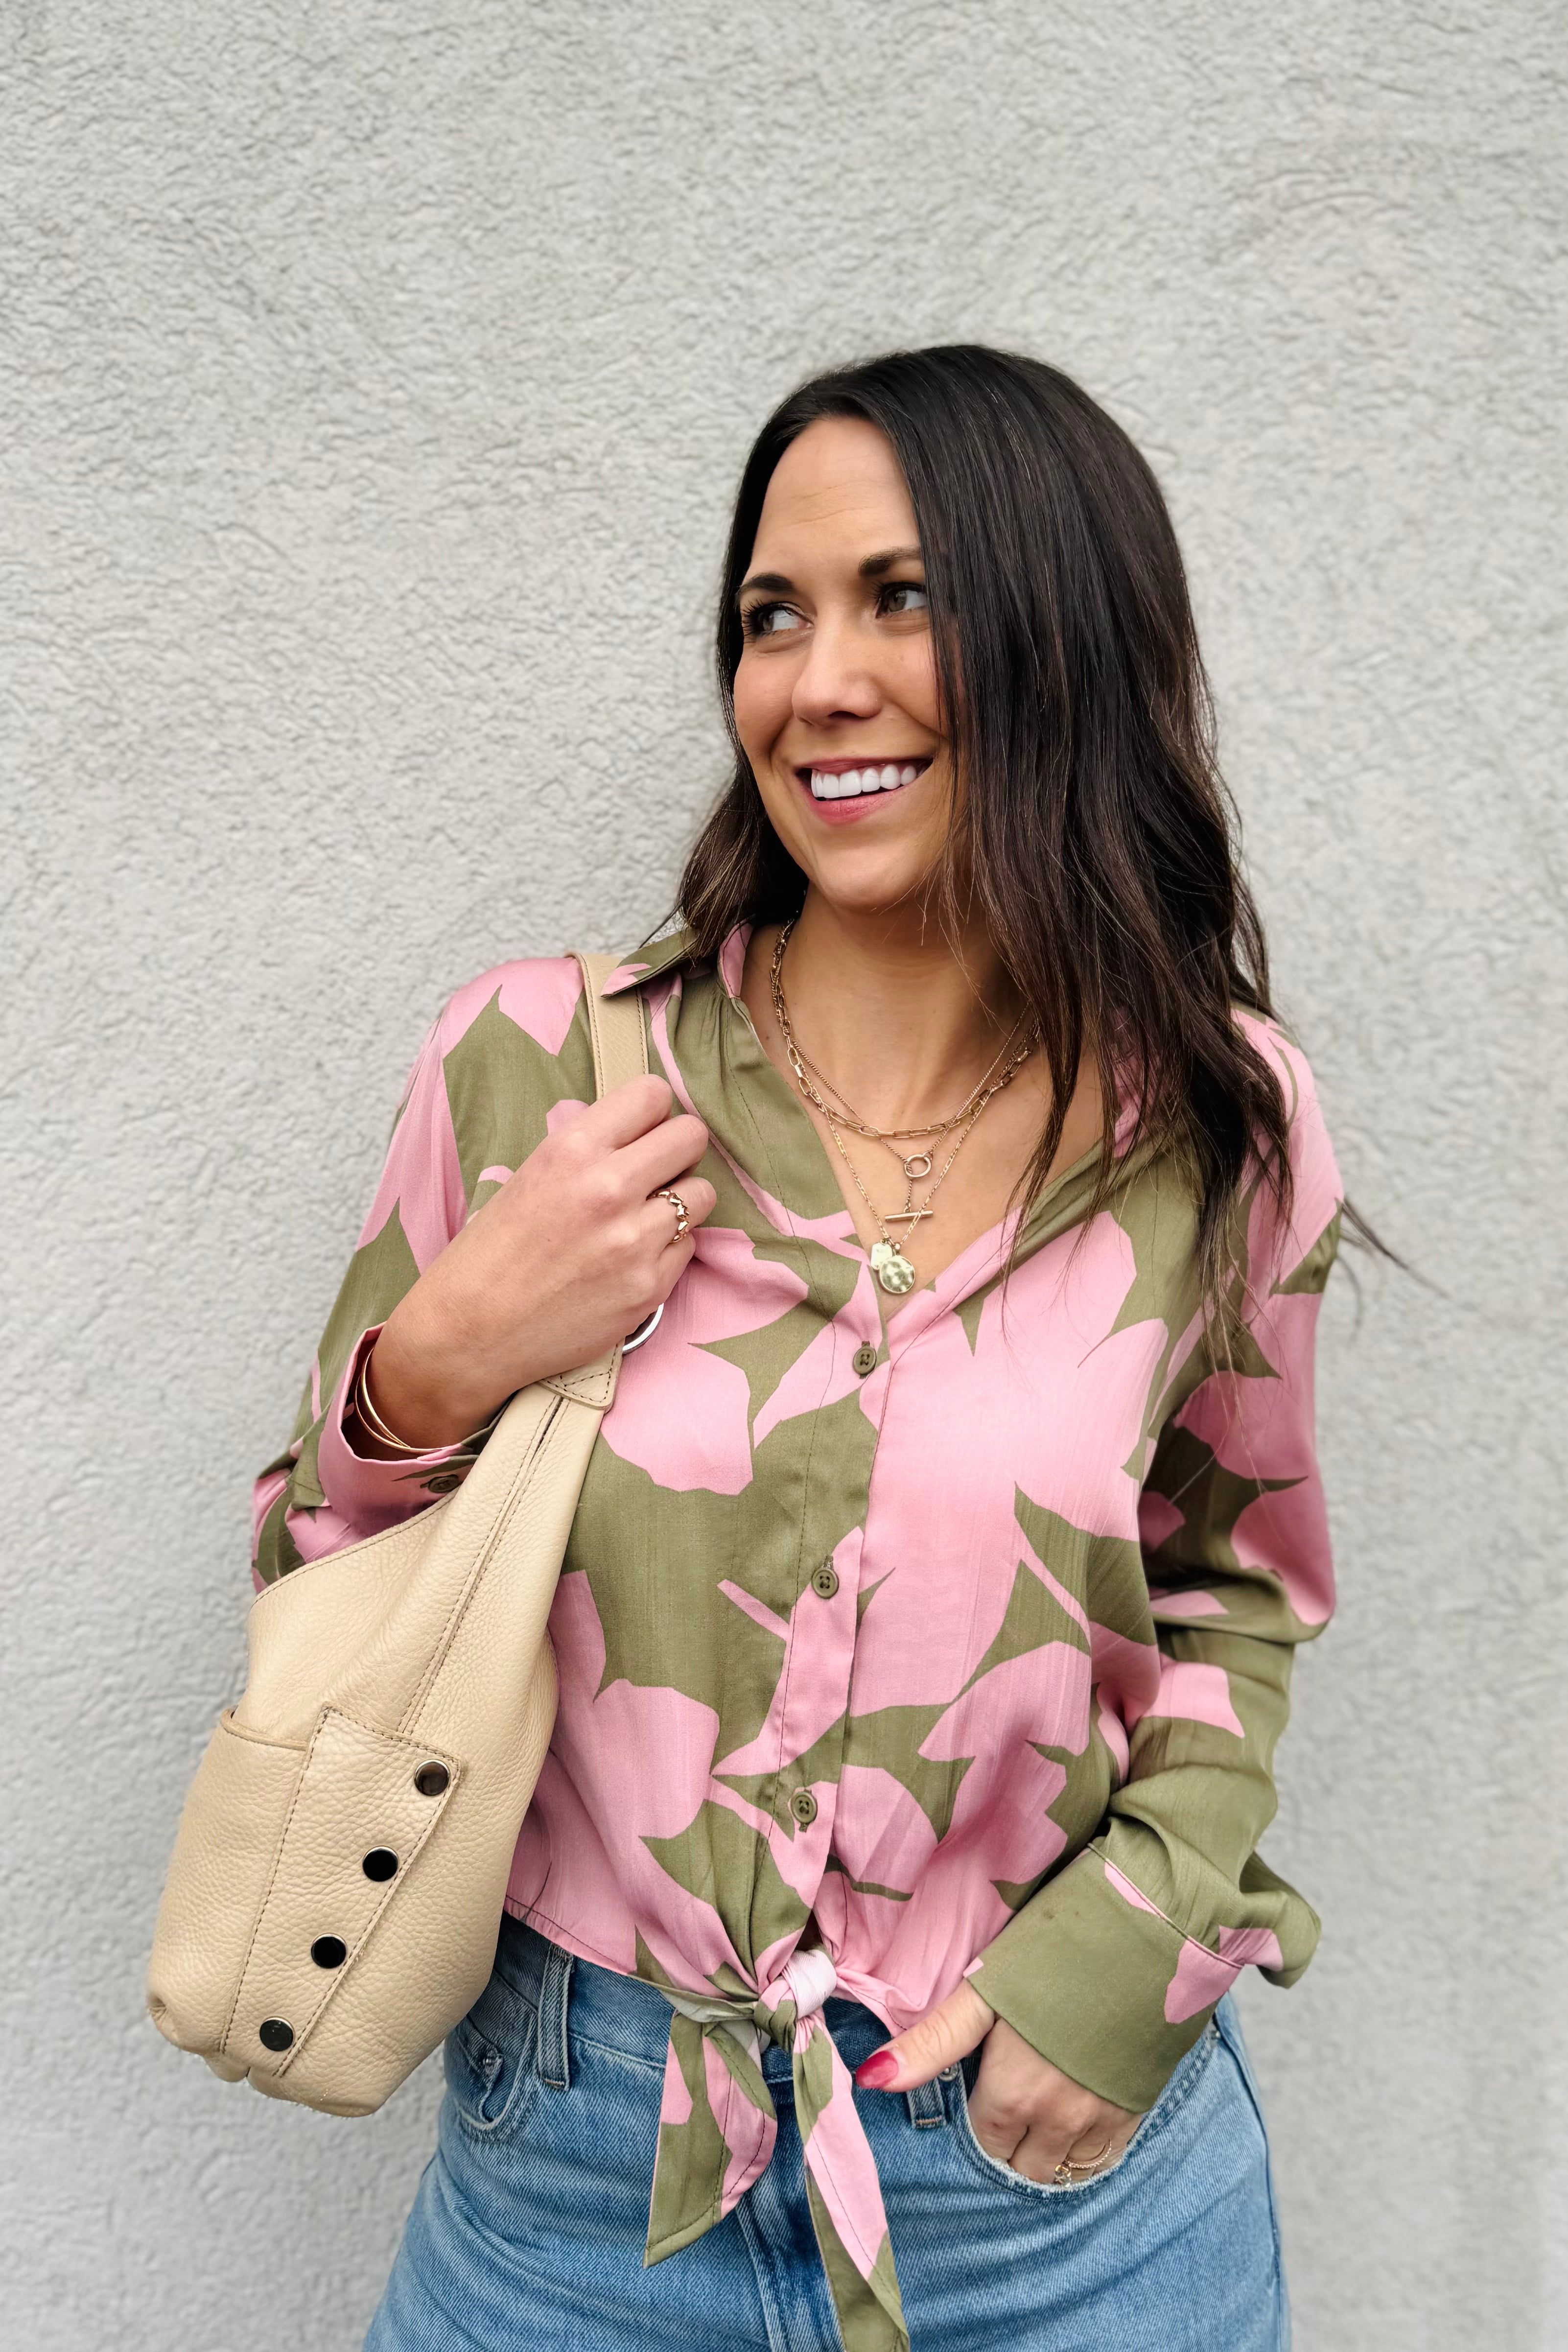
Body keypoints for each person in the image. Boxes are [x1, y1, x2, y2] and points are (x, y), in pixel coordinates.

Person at [252, 345, 1346, 2352]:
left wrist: (1123, 1953)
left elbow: (1235, 1591)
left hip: (1059, 2192)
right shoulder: (545, 1070)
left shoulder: (1217, 1127)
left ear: (1064, 634)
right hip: (577, 2179)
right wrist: (441, 1359)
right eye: (773, 615)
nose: (815, 681)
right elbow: (310, 1555)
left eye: (900, 598)